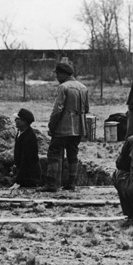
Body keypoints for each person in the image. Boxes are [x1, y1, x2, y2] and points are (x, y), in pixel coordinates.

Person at [40, 57, 89, 192]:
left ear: (63, 74)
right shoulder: (83, 87)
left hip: (63, 128)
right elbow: (87, 109)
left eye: (57, 74)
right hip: (79, 128)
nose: (56, 77)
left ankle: (51, 184)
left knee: (53, 153)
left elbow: (58, 109)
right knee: (73, 154)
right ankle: (71, 183)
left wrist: (52, 126)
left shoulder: (63, 87)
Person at [11, 108, 41, 187]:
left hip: (29, 176)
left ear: (24, 122)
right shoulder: (20, 132)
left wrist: (18, 181)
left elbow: (26, 161)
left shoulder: (29, 137)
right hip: (22, 173)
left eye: (18, 119)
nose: (15, 121)